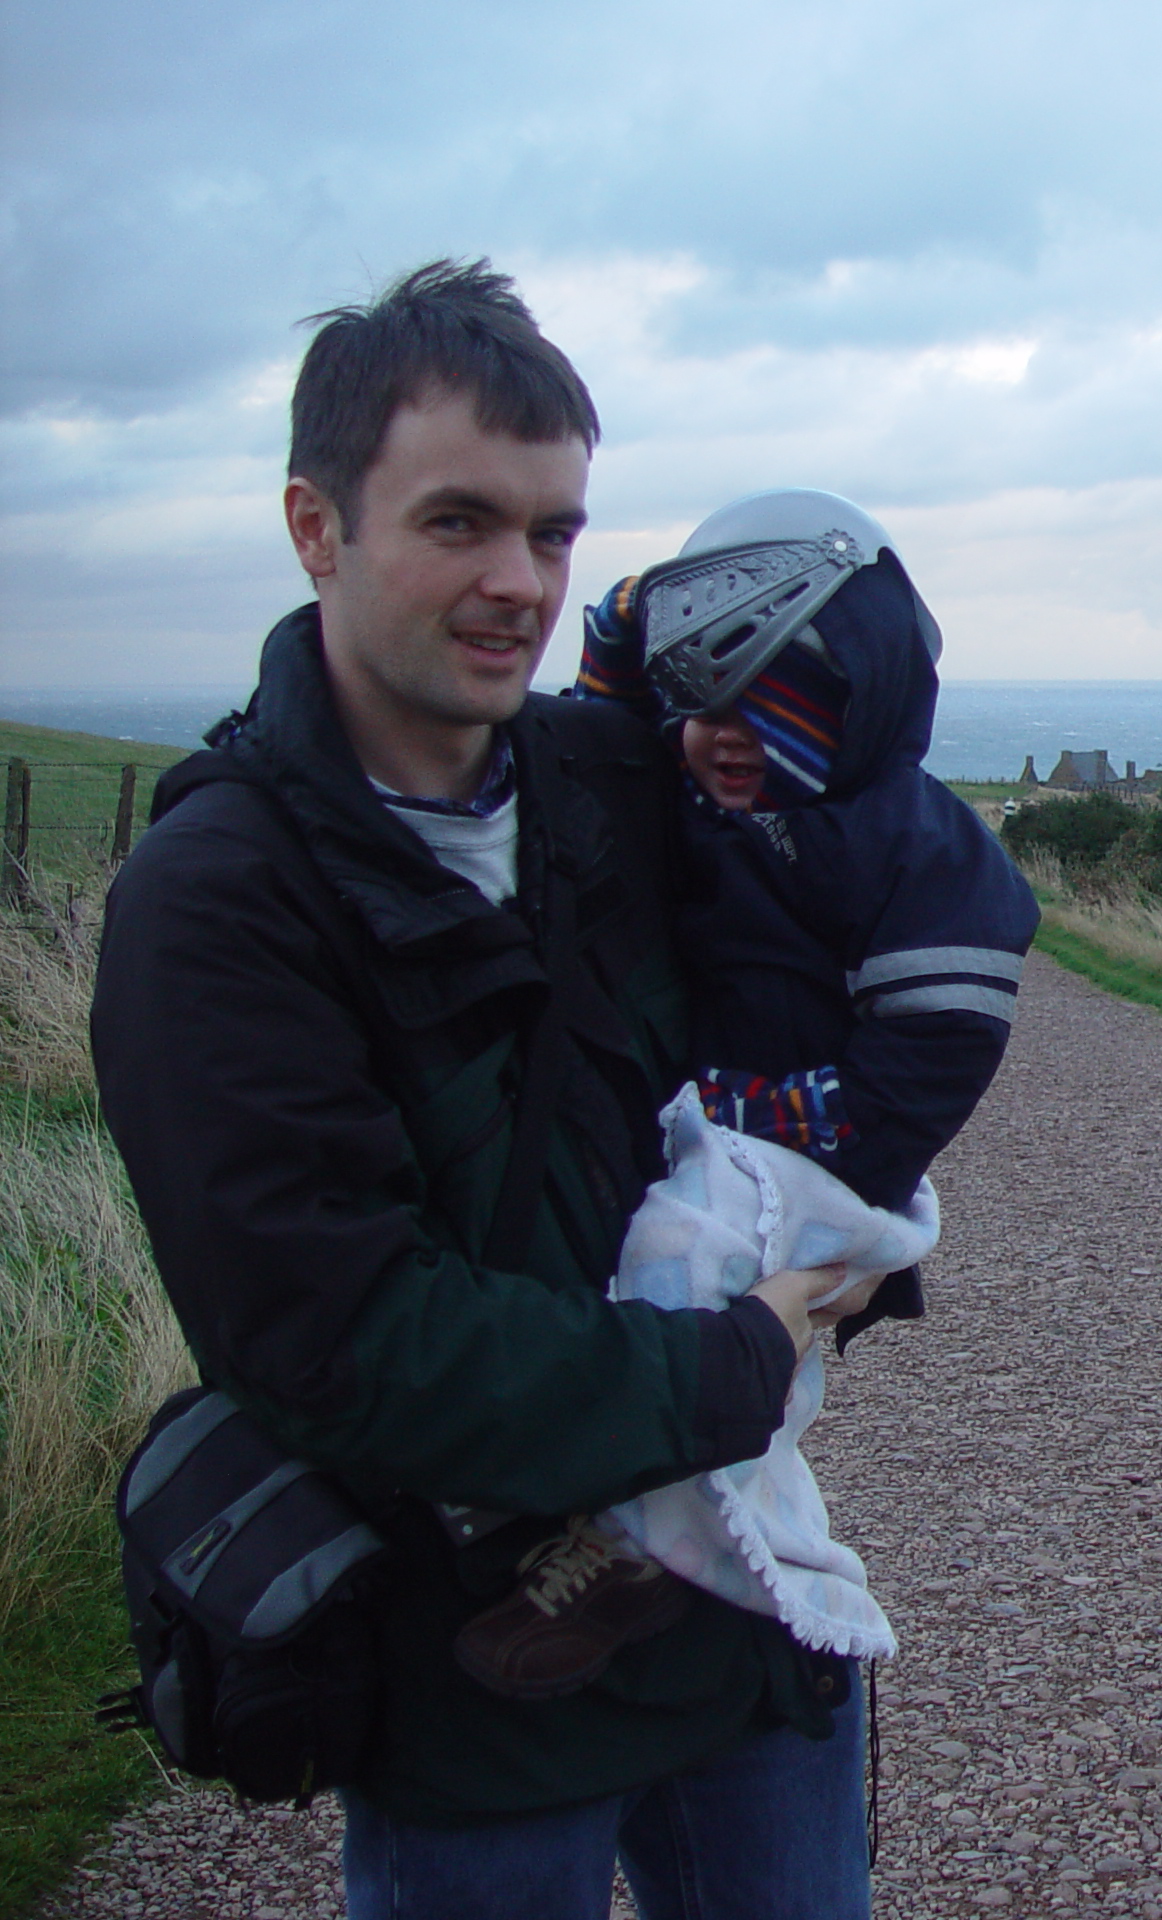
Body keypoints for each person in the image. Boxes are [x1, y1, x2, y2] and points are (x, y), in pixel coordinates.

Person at [89, 260, 876, 1920]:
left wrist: (863, 1215)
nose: (518, 579)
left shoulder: (612, 784)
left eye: (554, 531)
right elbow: (338, 1339)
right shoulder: (218, 900)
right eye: (458, 522)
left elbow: (787, 1039)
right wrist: (738, 1357)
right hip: (475, 1679)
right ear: (318, 526)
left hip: (748, 1631)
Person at [449, 489, 1037, 1672]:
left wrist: (781, 1128)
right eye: (697, 703)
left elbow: (930, 1063)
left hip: (821, 1151)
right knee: (659, 1298)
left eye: (761, 709)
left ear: (853, 703)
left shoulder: (921, 848)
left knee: (688, 1287)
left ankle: (634, 1546)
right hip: (721, 1126)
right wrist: (626, 626)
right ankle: (616, 1510)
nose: (718, 735)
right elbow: (592, 739)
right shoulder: (711, 806)